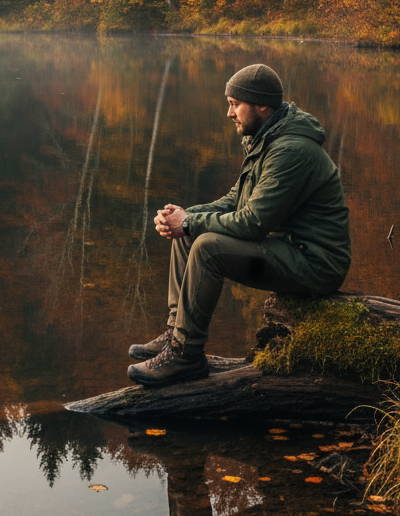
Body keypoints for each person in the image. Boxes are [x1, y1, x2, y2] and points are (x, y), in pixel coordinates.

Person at [127, 62, 350, 388]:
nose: (229, 113)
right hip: (289, 247)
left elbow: (253, 222)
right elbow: (235, 200)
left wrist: (189, 222)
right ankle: (176, 332)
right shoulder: (268, 139)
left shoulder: (290, 151)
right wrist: (184, 216)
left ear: (262, 105)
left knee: (206, 246)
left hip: (317, 264)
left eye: (235, 104)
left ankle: (186, 355)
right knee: (188, 236)